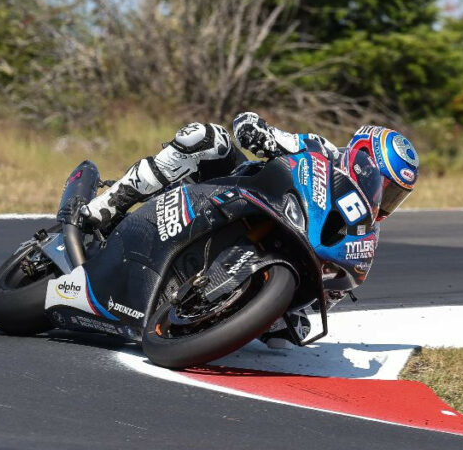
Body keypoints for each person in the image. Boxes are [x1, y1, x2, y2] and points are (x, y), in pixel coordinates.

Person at [80, 112, 419, 347]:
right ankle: (110, 205)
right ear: (361, 158)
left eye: (395, 197)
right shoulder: (320, 149)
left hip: (275, 247)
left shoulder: (363, 231)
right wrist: (257, 132)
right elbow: (252, 128)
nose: (385, 201)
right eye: (385, 187)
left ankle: (217, 308)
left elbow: (331, 295)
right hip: (233, 190)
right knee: (204, 137)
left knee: (285, 340)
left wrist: (297, 308)